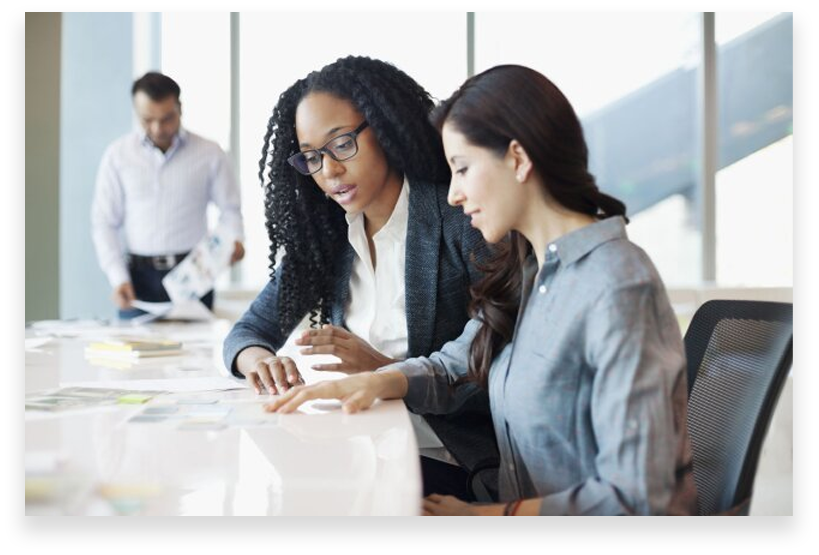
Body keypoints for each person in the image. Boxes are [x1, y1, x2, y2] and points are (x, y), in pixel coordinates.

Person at [266, 65, 699, 516]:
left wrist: (483, 515)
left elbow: (639, 500)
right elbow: (461, 363)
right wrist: (378, 380)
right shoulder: (534, 273)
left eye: (463, 168)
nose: (453, 194)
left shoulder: (615, 285)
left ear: (517, 158)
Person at [222, 56, 496, 500]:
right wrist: (260, 363)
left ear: (384, 128)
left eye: (342, 144)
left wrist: (385, 373)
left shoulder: (460, 217)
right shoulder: (328, 239)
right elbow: (248, 332)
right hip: (360, 450)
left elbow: (494, 363)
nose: (328, 171)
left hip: (444, 457)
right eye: (311, 157)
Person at [92, 71, 244, 319]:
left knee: (197, 356)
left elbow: (230, 210)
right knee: (134, 356)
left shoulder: (210, 153)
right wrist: (117, 278)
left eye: (167, 118)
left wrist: (234, 239)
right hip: (137, 279)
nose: (158, 128)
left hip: (194, 275)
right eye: (148, 119)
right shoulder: (118, 155)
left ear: (180, 108)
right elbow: (104, 223)